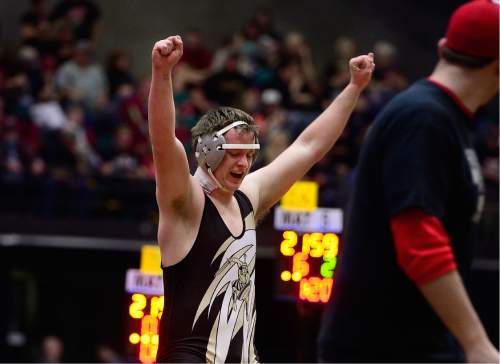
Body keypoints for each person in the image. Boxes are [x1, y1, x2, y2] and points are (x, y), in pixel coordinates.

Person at [148, 34, 374, 363]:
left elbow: (307, 147)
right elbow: (163, 142)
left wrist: (353, 88)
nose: (243, 163)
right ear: (208, 152)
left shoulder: (247, 197)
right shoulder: (186, 201)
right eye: (234, 153)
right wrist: (162, 73)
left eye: (249, 155)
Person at [317, 1, 500, 363]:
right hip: (380, 349)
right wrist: (477, 344)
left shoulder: (447, 118)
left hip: (417, 342)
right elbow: (419, 240)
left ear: (442, 48)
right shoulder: (424, 118)